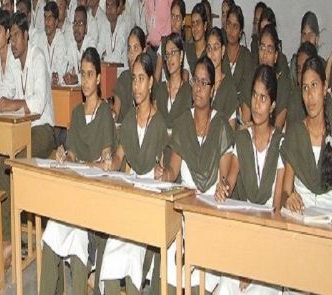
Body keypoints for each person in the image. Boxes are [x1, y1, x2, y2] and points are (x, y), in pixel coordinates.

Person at [155, 56, 234, 294]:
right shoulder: (182, 123)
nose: (198, 88)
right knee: (170, 253)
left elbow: (225, 178)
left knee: (206, 256)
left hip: (210, 207)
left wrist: (222, 187)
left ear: (213, 89)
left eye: (204, 82)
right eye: (195, 82)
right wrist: (163, 173)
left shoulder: (221, 125)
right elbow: (173, 171)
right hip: (186, 203)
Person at [40, 47, 115, 295]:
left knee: (78, 239)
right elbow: (72, 152)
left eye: (89, 74)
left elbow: (105, 157)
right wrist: (65, 155)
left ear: (98, 79)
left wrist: (92, 162)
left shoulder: (105, 113)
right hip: (74, 189)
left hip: (93, 194)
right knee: (51, 232)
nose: (84, 81)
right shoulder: (75, 112)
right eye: (82, 74)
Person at [99, 53, 169, 295]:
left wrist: (162, 172)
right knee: (111, 254)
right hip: (130, 197)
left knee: (131, 258)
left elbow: (166, 171)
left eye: (142, 79)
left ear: (151, 82)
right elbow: (120, 156)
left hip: (149, 204)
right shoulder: (129, 120)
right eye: (134, 79)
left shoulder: (159, 124)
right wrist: (111, 162)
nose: (137, 85)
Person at [215, 65, 284, 295]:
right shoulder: (242, 138)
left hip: (270, 241)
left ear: (273, 105)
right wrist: (222, 188)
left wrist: (253, 263)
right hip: (244, 234)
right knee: (226, 285)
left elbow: (276, 210)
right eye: (254, 95)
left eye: (263, 98)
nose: (256, 103)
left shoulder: (281, 144)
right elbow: (230, 180)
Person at [0, 12, 55, 158]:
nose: (12, 43)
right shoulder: (14, 61)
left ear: (26, 35)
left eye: (16, 36)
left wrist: (12, 104)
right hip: (21, 127)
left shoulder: (37, 57)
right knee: (1, 156)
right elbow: (5, 91)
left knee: (19, 159)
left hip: (42, 128)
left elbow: (39, 105)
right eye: (11, 38)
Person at [281, 55, 332, 220]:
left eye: (314, 85)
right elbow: (284, 191)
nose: (309, 95)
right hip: (301, 217)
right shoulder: (295, 133)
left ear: (325, 87)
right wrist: (288, 198)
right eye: (305, 88)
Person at [287, 42, 332, 127]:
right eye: (299, 69)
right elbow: (291, 134)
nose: (302, 74)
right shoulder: (294, 98)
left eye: (306, 68)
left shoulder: (326, 100)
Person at [154, 32, 192, 131]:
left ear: (181, 55)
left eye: (173, 52)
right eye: (167, 55)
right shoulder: (161, 90)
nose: (169, 58)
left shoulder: (189, 92)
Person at [222, 4, 252, 125]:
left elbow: (247, 90)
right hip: (220, 110)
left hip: (240, 113)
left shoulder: (246, 56)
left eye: (235, 26)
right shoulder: (219, 52)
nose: (231, 30)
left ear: (240, 32)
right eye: (229, 24)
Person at [257, 24, 291, 130]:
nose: (265, 55)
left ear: (276, 56)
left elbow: (278, 126)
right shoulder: (253, 78)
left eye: (269, 50)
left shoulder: (282, 83)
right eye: (262, 48)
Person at [205, 27, 238, 127]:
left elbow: (231, 130)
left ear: (223, 50)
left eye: (216, 48)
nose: (212, 54)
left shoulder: (228, 87)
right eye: (209, 48)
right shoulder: (201, 82)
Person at [112, 26, 146, 123]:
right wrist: (110, 115)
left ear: (144, 51)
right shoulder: (123, 78)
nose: (131, 54)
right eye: (129, 49)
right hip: (123, 133)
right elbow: (116, 111)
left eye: (135, 48)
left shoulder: (150, 80)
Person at [33, 0, 68, 84]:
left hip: (56, 88)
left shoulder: (61, 40)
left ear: (56, 22)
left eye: (50, 18)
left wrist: (53, 77)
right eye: (45, 17)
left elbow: (60, 72)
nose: (46, 21)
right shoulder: (39, 38)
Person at [63, 5, 97, 85]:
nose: (77, 27)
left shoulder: (91, 45)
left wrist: (76, 78)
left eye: (81, 23)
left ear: (86, 28)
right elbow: (67, 68)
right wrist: (63, 76)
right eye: (75, 23)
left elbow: (90, 73)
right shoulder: (72, 45)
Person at [97, 0, 129, 65]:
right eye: (107, 5)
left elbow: (117, 56)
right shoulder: (105, 25)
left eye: (112, 5)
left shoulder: (123, 25)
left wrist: (102, 59)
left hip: (122, 72)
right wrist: (95, 57)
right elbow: (100, 47)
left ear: (118, 9)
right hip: (108, 69)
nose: (109, 9)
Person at [185, 2, 209, 75]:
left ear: (205, 26)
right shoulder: (187, 50)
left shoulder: (210, 51)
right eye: (193, 24)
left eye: (198, 23)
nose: (195, 28)